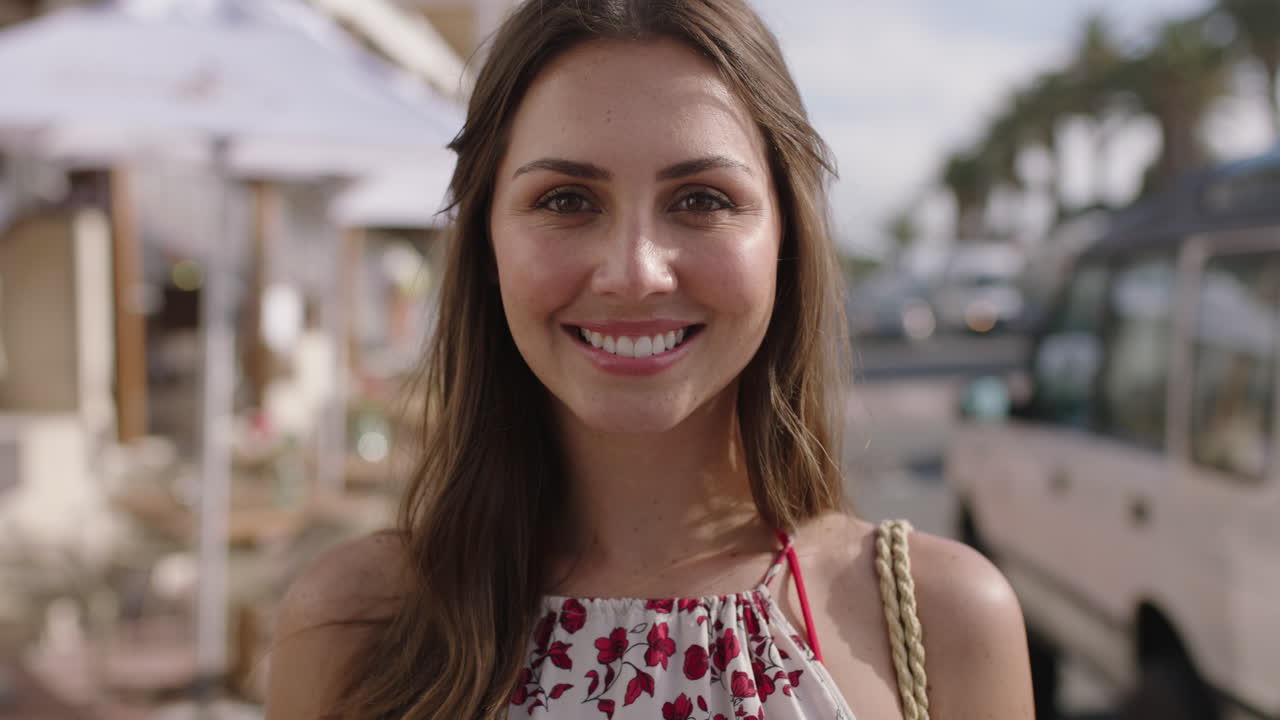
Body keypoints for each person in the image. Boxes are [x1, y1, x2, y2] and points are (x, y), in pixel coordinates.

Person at [265, 0, 1035, 718]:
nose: (634, 274)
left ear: (786, 240)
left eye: (701, 199)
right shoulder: (354, 623)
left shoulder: (942, 620)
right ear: (488, 244)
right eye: (566, 200)